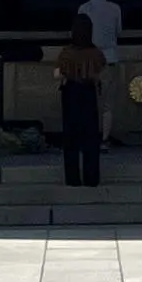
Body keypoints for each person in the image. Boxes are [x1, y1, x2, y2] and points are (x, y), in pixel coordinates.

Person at [52, 15, 107, 187]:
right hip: (88, 93)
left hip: (71, 93)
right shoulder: (96, 53)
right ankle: (92, 178)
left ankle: (73, 178)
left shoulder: (67, 53)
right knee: (91, 137)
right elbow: (100, 70)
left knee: (71, 137)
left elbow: (57, 74)